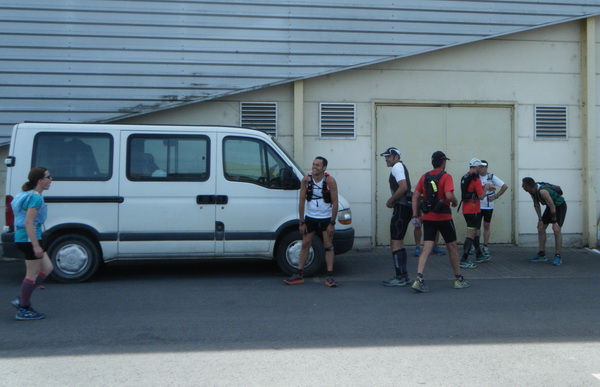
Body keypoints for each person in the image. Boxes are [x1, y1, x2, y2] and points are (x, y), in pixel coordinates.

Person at [410, 151, 470, 293]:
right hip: (443, 217)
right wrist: (455, 202)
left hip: (428, 217)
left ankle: (418, 278)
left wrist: (415, 214)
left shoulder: (424, 177)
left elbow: (415, 196)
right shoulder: (446, 176)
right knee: (452, 246)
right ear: (443, 162)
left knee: (427, 247)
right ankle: (458, 279)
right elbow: (449, 195)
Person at [284, 157, 339, 286]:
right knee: (305, 244)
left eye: (318, 165)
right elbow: (302, 201)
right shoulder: (306, 180)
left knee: (328, 245)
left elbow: (335, 202)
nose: (314, 167)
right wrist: (301, 222)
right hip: (311, 217)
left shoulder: (330, 181)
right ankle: (299, 273)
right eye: (313, 164)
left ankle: (330, 275)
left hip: (326, 217)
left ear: (324, 168)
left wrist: (332, 223)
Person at [10, 167, 54, 320]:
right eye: (48, 177)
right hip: (29, 239)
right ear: (40, 181)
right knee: (32, 274)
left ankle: (23, 297)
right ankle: (23, 309)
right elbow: (29, 222)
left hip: (28, 237)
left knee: (47, 268)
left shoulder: (26, 194)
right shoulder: (35, 197)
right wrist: (36, 246)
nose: (51, 180)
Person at [379, 147, 413, 287]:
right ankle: (403, 275)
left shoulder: (397, 167)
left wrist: (391, 200)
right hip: (405, 207)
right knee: (399, 242)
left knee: (395, 242)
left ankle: (400, 276)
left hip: (401, 207)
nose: (386, 159)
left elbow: (403, 187)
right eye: (386, 156)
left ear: (396, 157)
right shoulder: (400, 166)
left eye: (388, 156)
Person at [521, 177, 567, 265]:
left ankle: (558, 256)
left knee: (556, 230)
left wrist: (554, 222)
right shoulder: (531, 191)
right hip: (550, 207)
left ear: (528, 186)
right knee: (541, 228)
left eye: (523, 185)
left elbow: (553, 206)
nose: (522, 187)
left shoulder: (543, 192)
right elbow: (536, 205)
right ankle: (542, 254)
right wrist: (540, 219)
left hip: (559, 206)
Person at [477, 160, 509, 258]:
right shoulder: (475, 177)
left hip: (488, 206)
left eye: (485, 166)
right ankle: (475, 246)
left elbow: (504, 186)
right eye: (481, 166)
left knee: (486, 225)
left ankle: (485, 246)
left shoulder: (491, 177)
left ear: (487, 167)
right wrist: (486, 187)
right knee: (476, 227)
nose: (483, 168)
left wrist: (496, 196)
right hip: (477, 205)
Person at [459, 158, 486, 268]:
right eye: (480, 167)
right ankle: (464, 259)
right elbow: (481, 196)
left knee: (475, 232)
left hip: (466, 208)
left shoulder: (465, 176)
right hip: (473, 209)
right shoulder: (476, 179)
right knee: (471, 234)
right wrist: (487, 188)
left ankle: (479, 254)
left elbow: (471, 191)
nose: (481, 169)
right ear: (476, 167)